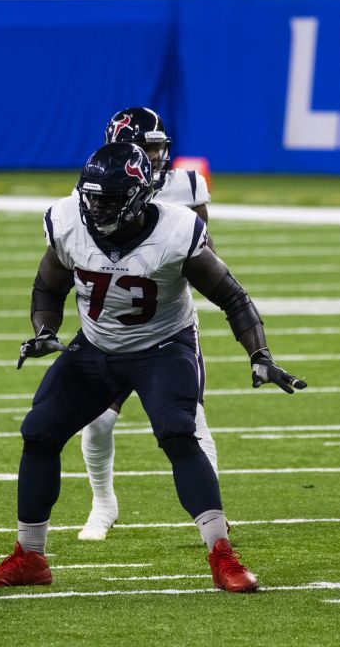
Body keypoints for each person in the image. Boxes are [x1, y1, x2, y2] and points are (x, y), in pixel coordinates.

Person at [0, 142, 307, 593]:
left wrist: (260, 355)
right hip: (95, 346)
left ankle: (222, 555)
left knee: (178, 434)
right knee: (40, 430)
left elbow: (232, 297)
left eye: (108, 197)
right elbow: (49, 286)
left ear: (139, 195)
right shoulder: (69, 222)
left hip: (162, 348)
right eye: (91, 196)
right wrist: (45, 329)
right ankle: (30, 556)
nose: (95, 205)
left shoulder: (175, 232)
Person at [78, 106, 215, 541]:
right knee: (96, 421)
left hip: (168, 325)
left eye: (159, 148)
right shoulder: (100, 189)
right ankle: (103, 505)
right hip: (114, 324)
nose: (158, 157)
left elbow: (203, 250)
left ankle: (214, 516)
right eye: (149, 148)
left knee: (191, 421)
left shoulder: (187, 185)